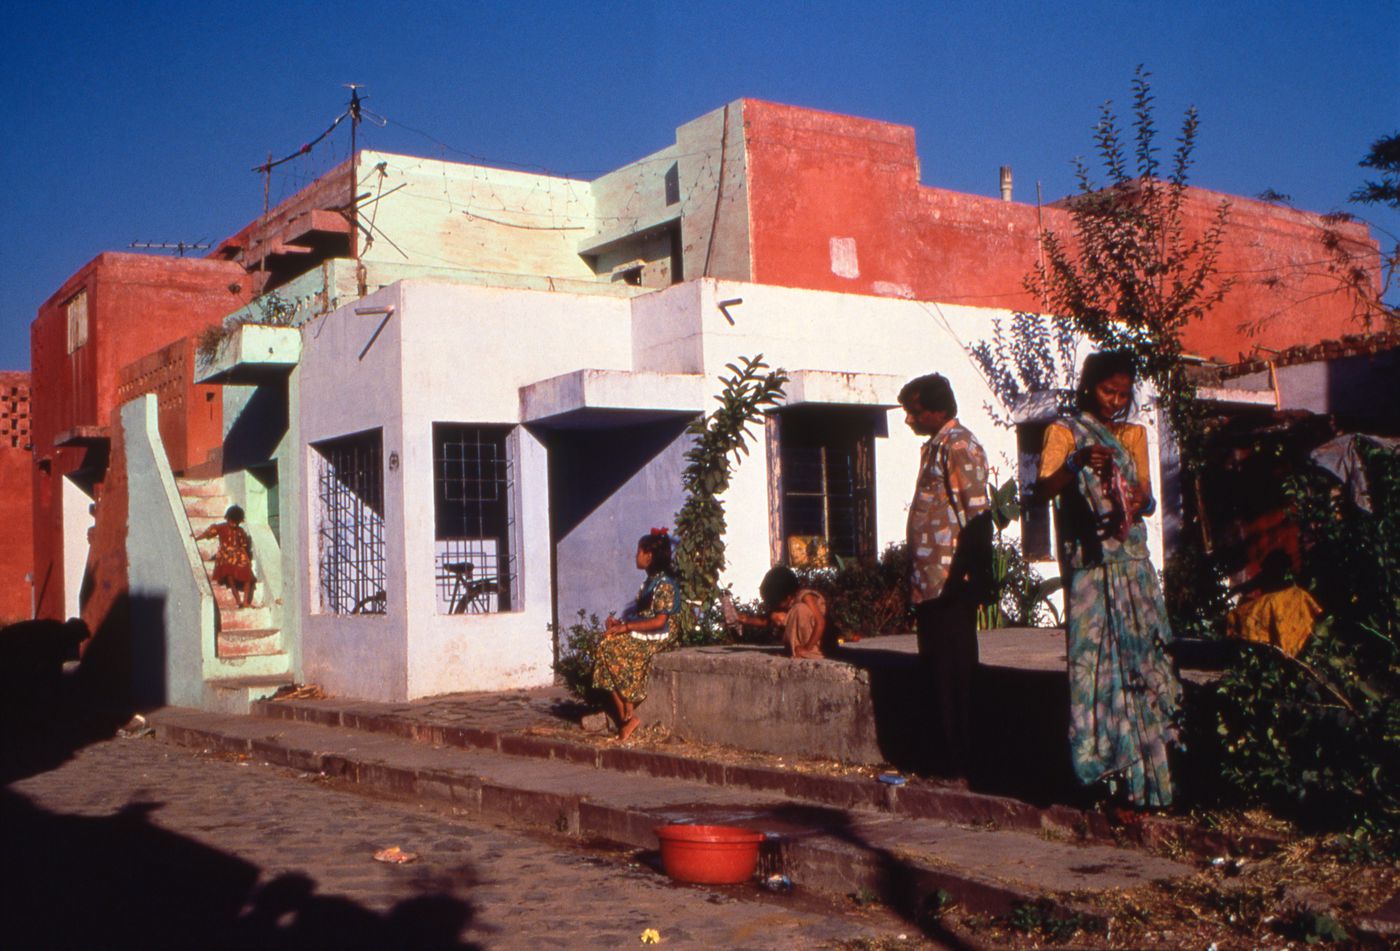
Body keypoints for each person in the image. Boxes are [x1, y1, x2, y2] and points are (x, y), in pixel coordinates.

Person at [1030, 350, 1182, 810]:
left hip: (1132, 563)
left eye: (1123, 394)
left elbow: (1149, 501)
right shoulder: (1063, 432)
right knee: (1095, 667)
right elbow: (1042, 489)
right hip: (1092, 569)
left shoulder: (1134, 434)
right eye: (1106, 391)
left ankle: (1152, 776)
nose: (1115, 401)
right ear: (1088, 387)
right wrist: (1076, 462)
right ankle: (1104, 773)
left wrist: (1140, 499)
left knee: (1145, 660)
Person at [899, 373, 993, 781]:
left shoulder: (959, 446)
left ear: (938, 410)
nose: (909, 420)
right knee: (937, 674)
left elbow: (978, 516)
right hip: (932, 585)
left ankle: (962, 764)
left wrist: (970, 576)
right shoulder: (936, 447)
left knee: (955, 677)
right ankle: (943, 759)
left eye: (914, 412)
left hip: (952, 584)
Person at [592, 529, 681, 742]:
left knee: (613, 648)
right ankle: (626, 715)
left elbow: (660, 621)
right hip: (649, 628)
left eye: (639, 551)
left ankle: (627, 711)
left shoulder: (665, 584)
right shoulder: (650, 582)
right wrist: (620, 624)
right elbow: (643, 615)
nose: (635, 556)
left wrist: (627, 628)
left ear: (649, 556)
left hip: (663, 633)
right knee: (606, 643)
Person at [757, 566, 828, 660]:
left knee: (799, 609)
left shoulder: (805, 596)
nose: (778, 606)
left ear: (788, 597)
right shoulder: (789, 603)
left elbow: (820, 623)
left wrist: (807, 648)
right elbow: (765, 621)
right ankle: (796, 650)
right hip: (804, 645)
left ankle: (811, 652)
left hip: (821, 642)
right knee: (776, 615)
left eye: (779, 603)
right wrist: (744, 619)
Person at [195, 505, 256, 608]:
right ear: (227, 518)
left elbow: (244, 545)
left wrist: (246, 559)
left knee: (248, 576)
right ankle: (238, 600)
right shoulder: (221, 527)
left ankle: (246, 601)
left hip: (238, 555)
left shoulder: (240, 531)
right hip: (225, 556)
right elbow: (208, 534)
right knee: (230, 575)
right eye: (232, 521)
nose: (233, 524)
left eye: (236, 523)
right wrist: (196, 538)